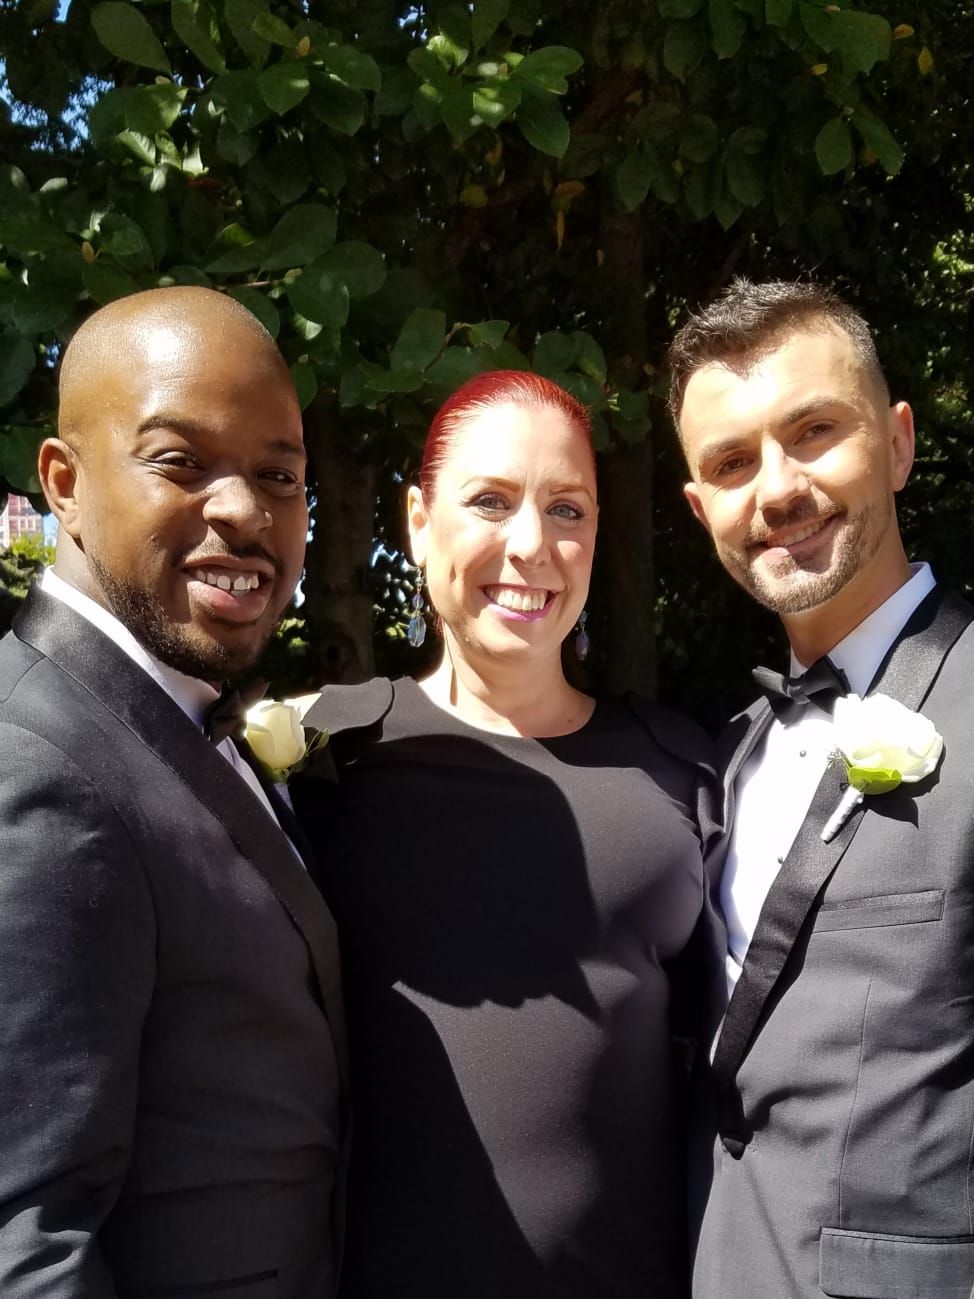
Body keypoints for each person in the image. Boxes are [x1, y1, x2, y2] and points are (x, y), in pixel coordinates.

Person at [291, 370, 721, 1299]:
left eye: (567, 509)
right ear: (418, 522)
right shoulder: (325, 758)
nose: (532, 543)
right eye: (490, 500)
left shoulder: (678, 772)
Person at [0, 287, 347, 1297]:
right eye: (181, 462)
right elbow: (26, 1244)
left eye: (278, 475)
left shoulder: (174, 719)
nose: (244, 511)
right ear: (64, 483)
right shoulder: (36, 766)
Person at [669, 278, 974, 1299]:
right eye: (730, 462)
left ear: (897, 443)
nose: (777, 488)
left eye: (813, 432)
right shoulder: (725, 755)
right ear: (699, 506)